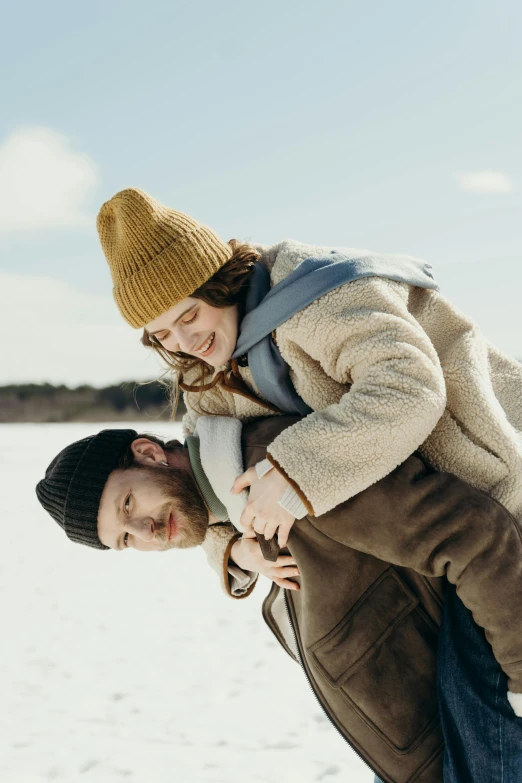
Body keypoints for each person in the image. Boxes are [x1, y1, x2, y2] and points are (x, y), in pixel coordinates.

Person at [96, 187, 522, 781]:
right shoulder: (211, 370)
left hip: (502, 499)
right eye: (161, 334)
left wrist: (299, 471)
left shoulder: (321, 294)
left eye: (188, 314)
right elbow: (209, 478)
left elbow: (407, 387)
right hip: (437, 549)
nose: (184, 342)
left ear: (218, 279)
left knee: (491, 727)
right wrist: (235, 550)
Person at [36, 414, 522, 783]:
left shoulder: (280, 477)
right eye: (125, 539)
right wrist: (236, 551)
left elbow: (474, 535)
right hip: (429, 738)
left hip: (487, 703)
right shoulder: (234, 509)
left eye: (128, 505)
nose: (145, 532)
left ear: (147, 453)